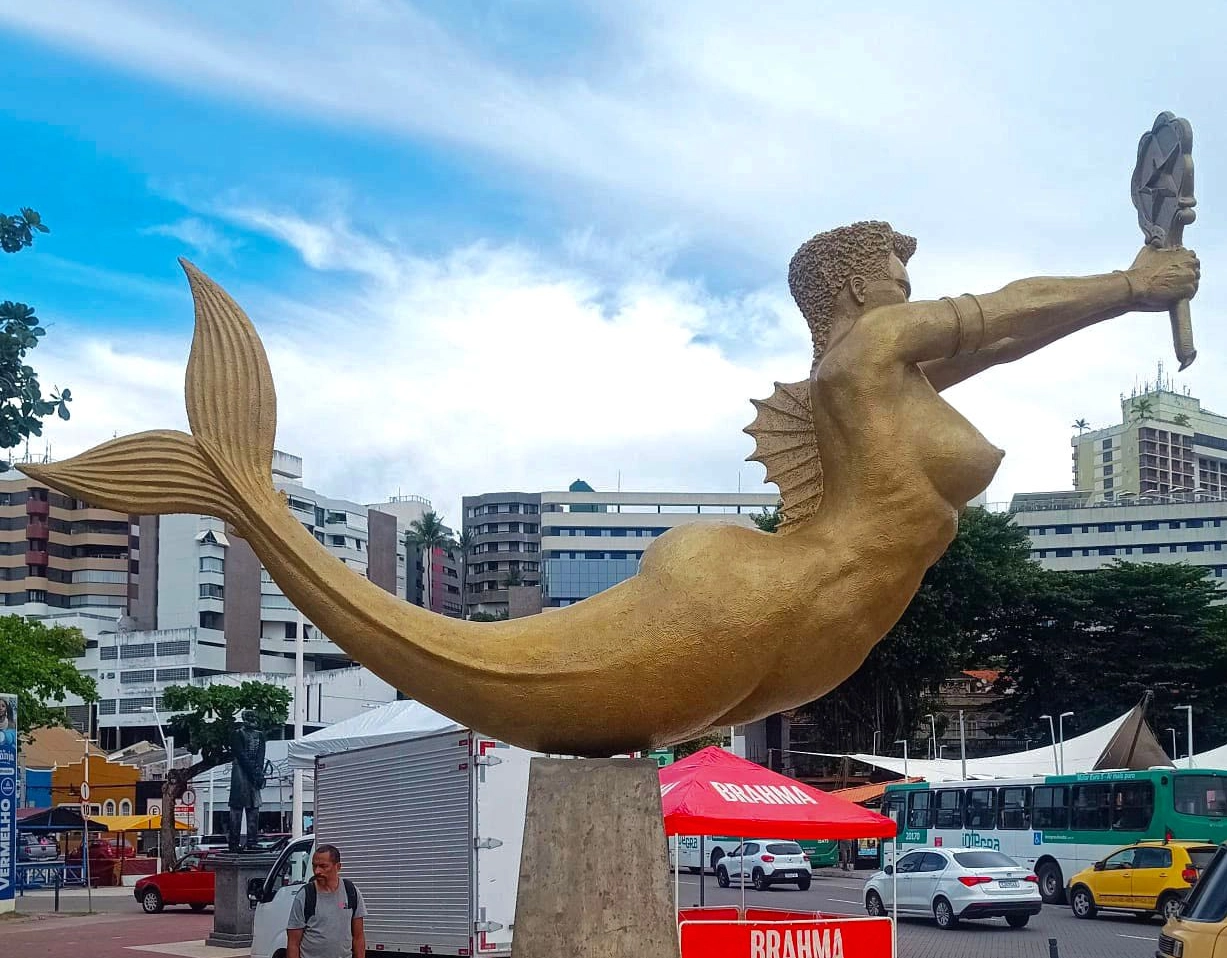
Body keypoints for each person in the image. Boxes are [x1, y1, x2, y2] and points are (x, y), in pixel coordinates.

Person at [287, 844, 367, 958]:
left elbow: (358, 938)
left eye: (323, 866)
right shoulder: (305, 895)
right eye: (314, 866)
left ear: (338, 867)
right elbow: (293, 943)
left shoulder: (351, 892)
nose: (317, 871)